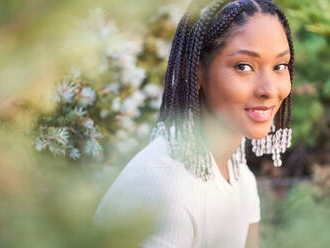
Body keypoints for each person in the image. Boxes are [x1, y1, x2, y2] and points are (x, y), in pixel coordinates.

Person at [93, 0, 295, 247]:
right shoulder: (169, 188)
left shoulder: (240, 176)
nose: (269, 89)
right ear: (196, 71)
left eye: (279, 66)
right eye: (244, 66)